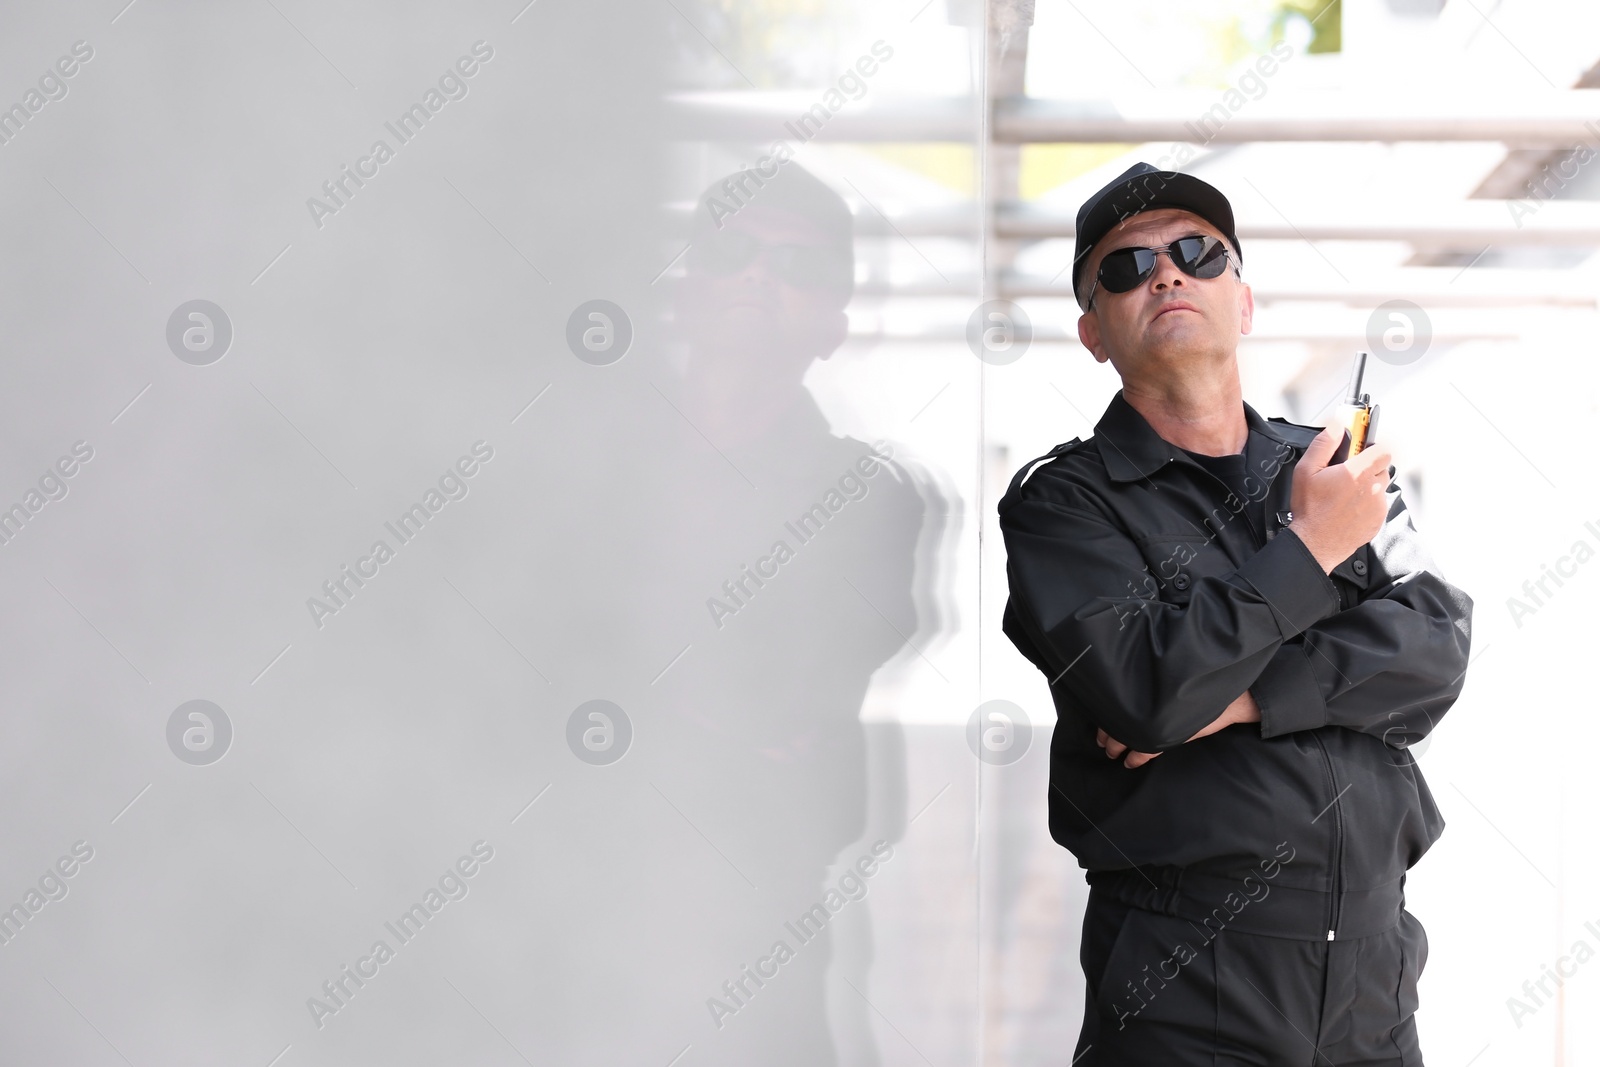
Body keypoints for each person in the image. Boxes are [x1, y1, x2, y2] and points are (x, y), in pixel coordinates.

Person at [997, 161, 1474, 1065]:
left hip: (1375, 978)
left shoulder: (1338, 468)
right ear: (1093, 332)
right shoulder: (1064, 505)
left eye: (1194, 252)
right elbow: (1143, 695)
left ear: (1243, 303)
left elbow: (1436, 644)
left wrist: (1238, 699)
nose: (1167, 273)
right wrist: (1311, 552)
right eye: (1126, 267)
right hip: (1189, 980)